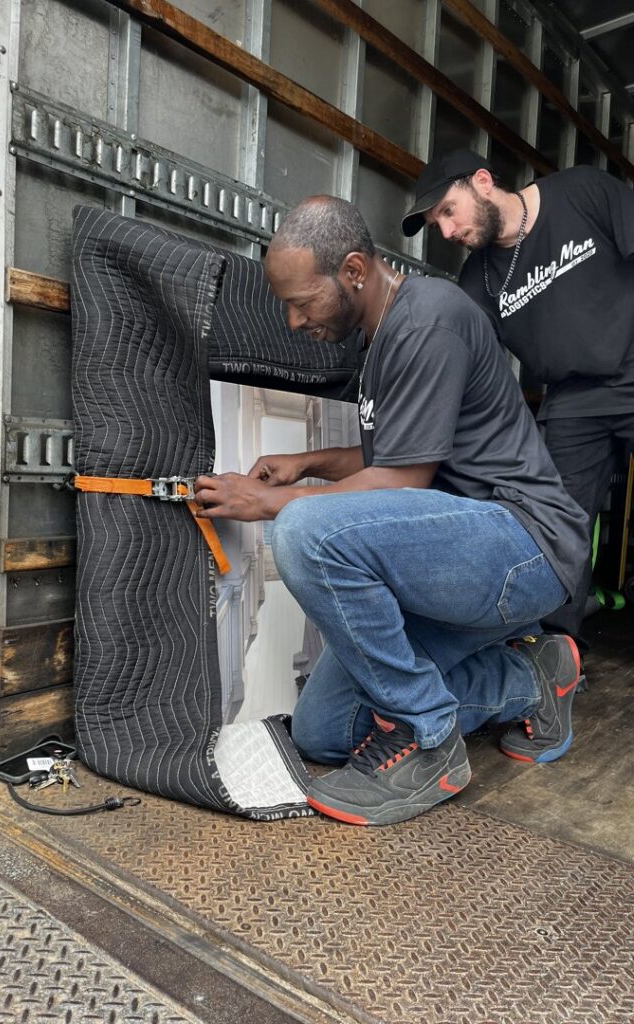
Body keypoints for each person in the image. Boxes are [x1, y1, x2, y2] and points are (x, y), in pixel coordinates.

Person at [193, 195, 588, 828]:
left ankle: (427, 739)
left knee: (302, 530)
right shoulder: (381, 340)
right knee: (325, 730)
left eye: (302, 302)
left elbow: (402, 479)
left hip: (524, 545)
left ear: (353, 270)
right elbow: (395, 454)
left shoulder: (429, 318)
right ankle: (532, 679)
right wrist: (310, 462)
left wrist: (267, 502)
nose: (294, 322)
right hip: (461, 560)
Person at [401, 150, 634, 640]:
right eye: (435, 222)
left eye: (447, 210)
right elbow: (463, 363)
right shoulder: (476, 280)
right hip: (571, 401)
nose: (446, 231)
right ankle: (556, 657)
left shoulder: (582, 191)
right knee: (556, 530)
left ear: (483, 181)